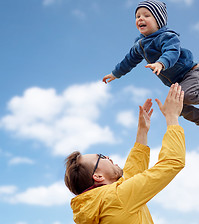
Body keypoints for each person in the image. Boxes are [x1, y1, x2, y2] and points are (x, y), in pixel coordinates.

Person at [102, 0, 199, 144]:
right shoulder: (139, 45)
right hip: (178, 82)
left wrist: (161, 63)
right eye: (137, 16)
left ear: (158, 21)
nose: (140, 18)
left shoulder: (167, 36)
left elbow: (171, 52)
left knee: (187, 95)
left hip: (193, 72)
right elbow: (129, 60)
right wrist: (116, 73)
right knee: (174, 106)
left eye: (146, 15)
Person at [65, 83, 186, 224]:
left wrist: (142, 131)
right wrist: (172, 117)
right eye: (101, 157)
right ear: (98, 176)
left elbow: (130, 176)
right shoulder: (117, 198)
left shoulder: (97, 204)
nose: (108, 157)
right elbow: (172, 163)